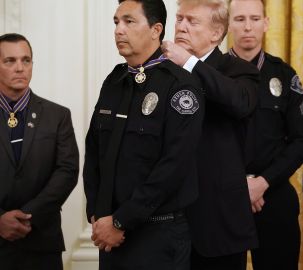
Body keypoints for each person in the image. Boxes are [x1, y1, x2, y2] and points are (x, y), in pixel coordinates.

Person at [83, 0, 204, 269]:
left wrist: (120, 220)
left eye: (129, 21)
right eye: (116, 22)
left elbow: (173, 167)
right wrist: (97, 213)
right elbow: (94, 151)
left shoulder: (181, 86)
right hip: (110, 235)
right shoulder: (114, 80)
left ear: (155, 29)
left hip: (158, 236)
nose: (118, 30)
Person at [161, 0, 259, 269]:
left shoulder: (239, 70)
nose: (181, 26)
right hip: (163, 221)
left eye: (192, 21)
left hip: (217, 224)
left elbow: (239, 102)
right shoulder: (161, 71)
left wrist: (190, 63)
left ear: (216, 33)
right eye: (179, 18)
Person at [227, 0, 303, 269]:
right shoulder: (212, 74)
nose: (247, 26)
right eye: (239, 19)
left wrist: (262, 183)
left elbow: (300, 141)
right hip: (222, 196)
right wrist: (239, 186)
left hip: (273, 193)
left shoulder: (285, 75)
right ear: (227, 23)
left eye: (254, 18)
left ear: (266, 23)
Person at [0, 33, 79, 270]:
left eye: (26, 60)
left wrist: (27, 216)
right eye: (9, 61)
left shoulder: (58, 115)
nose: (19, 68)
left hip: (42, 243)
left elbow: (67, 171)